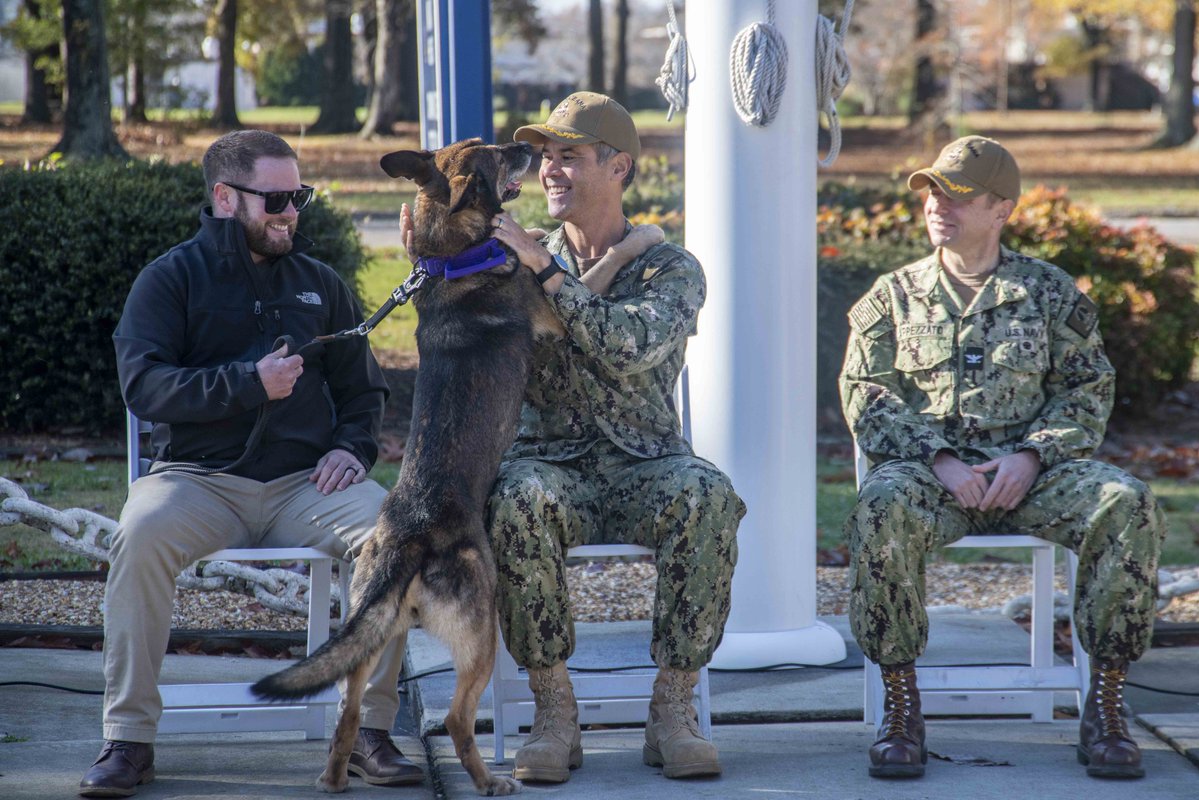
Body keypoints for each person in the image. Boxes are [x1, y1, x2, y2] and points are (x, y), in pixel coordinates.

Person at [401, 92, 744, 782]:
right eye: (547, 157)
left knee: (708, 495)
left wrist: (547, 272)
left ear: (618, 168)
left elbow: (626, 345)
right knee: (518, 499)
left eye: (570, 157)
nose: (550, 171)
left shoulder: (670, 268)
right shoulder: (504, 254)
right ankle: (553, 709)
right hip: (548, 465)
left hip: (645, 465)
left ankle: (673, 708)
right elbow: (458, 330)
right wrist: (434, 259)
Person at [80, 130, 417, 797]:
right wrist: (247, 383)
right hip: (198, 481)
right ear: (227, 198)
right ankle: (128, 740)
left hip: (304, 483)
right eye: (278, 198)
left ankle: (368, 731)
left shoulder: (321, 284)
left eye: (300, 196)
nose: (292, 211)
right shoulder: (170, 279)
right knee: (140, 534)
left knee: (397, 536)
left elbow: (364, 391)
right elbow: (143, 386)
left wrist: (352, 447)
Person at [839, 135, 1166, 781]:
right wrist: (938, 460)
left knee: (1126, 503)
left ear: (1002, 209)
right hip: (932, 477)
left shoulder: (1048, 293)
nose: (938, 206)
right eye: (933, 191)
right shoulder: (893, 295)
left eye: (958, 196)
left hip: (1035, 474)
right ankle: (902, 708)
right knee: (881, 508)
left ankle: (1106, 705)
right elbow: (866, 393)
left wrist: (1032, 457)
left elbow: (1087, 388)